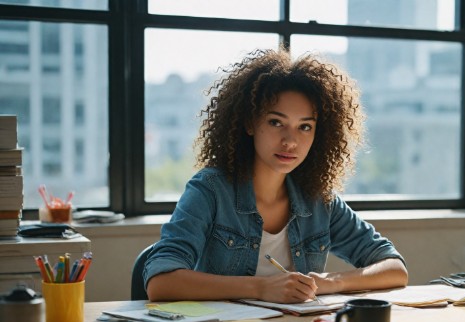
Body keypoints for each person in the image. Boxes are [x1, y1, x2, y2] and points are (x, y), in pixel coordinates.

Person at [144, 48, 408, 303]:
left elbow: (394, 268)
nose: (290, 141)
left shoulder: (319, 200)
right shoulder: (211, 190)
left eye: (305, 127)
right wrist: (260, 288)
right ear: (249, 123)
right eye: (276, 122)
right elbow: (161, 281)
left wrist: (330, 282)